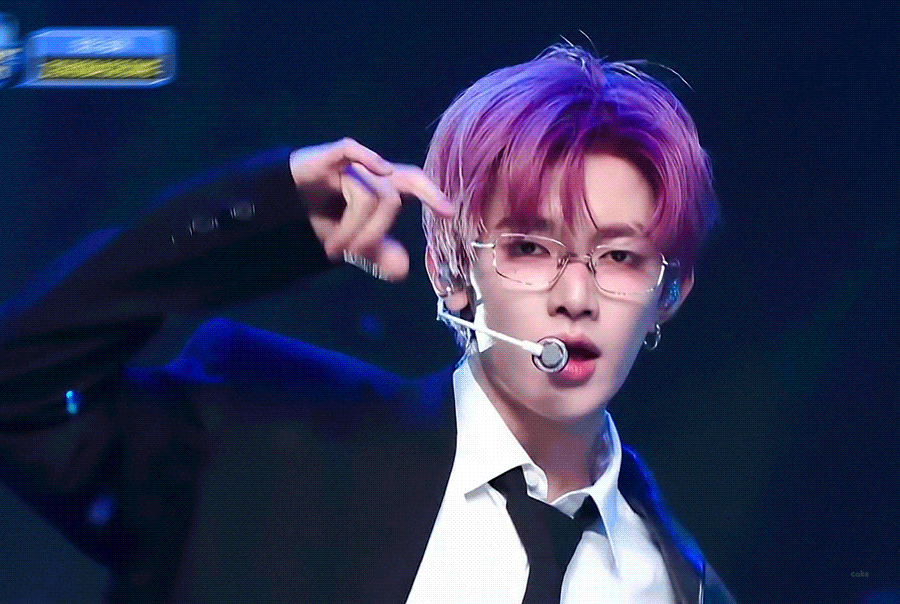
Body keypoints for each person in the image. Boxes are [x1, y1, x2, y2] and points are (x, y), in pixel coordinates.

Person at [0, 44, 736, 603]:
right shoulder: (266, 443)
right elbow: (18, 387)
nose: (576, 296)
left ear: (669, 292)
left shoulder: (680, 585)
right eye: (529, 248)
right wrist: (266, 212)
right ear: (450, 272)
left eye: (619, 257)